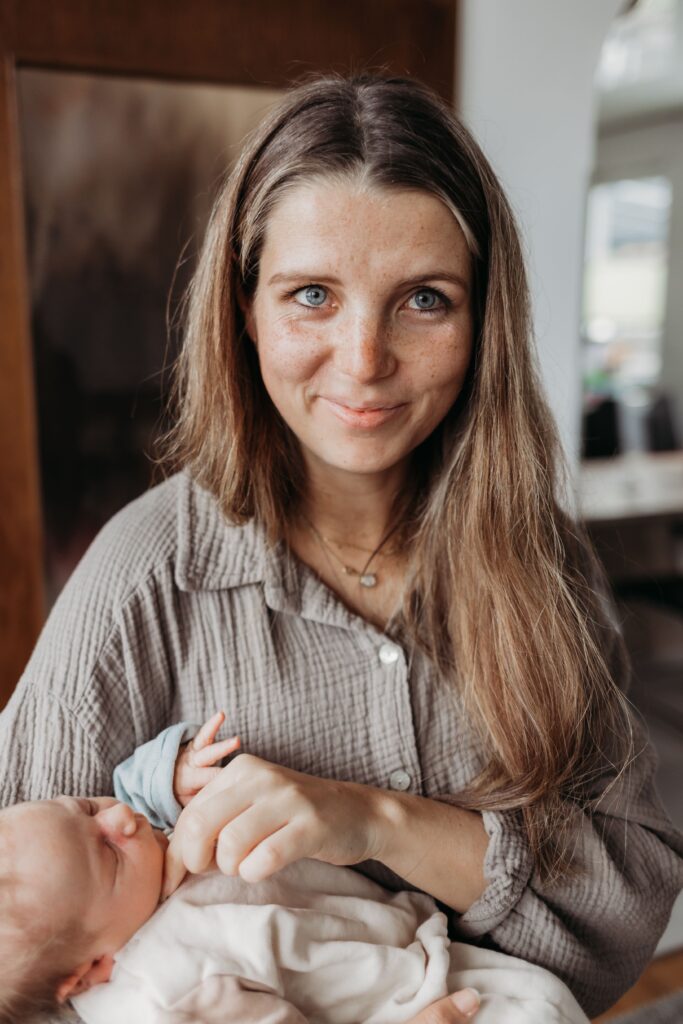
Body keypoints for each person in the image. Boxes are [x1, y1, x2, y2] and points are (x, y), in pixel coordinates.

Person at [0, 72, 681, 1022]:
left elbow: (625, 896)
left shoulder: (540, 563)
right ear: (243, 310)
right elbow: (20, 966)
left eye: (424, 300)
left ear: (484, 321)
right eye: (311, 294)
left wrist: (374, 821)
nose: (364, 359)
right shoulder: (142, 578)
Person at [0, 716, 588, 1023]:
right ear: (92, 969)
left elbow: (130, 789)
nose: (123, 820)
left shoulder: (136, 866)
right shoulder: (170, 991)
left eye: (83, 808)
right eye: (105, 850)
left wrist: (170, 775)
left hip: (440, 956)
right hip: (415, 1001)